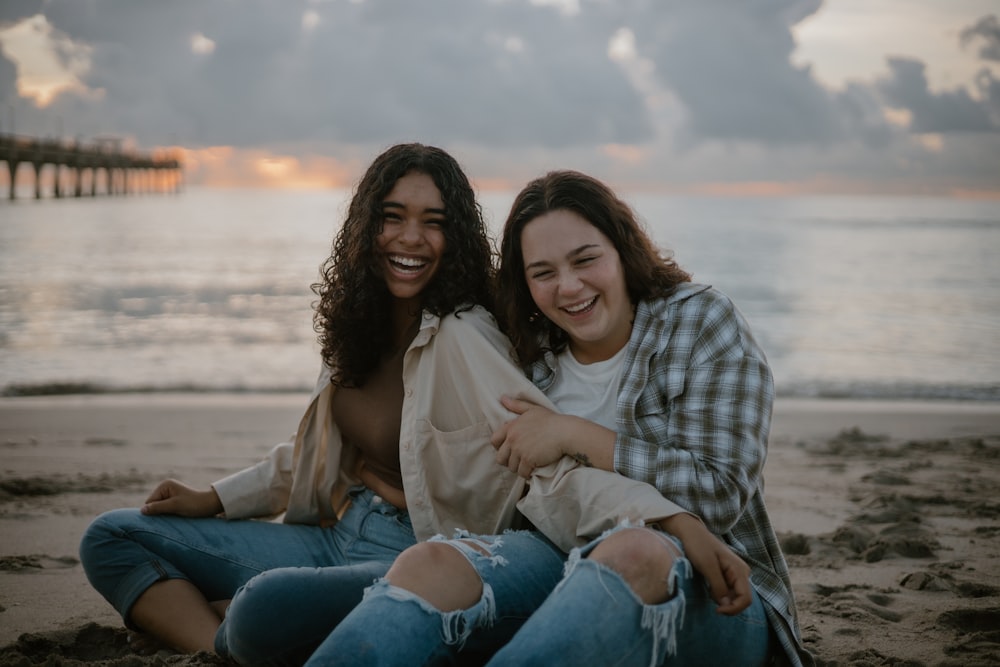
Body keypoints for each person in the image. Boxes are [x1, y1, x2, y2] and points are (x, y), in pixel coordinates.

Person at [314, 170, 813, 666]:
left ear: (621, 249)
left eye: (585, 259)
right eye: (543, 272)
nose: (569, 287)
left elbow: (719, 493)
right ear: (524, 284)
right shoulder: (531, 358)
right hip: (561, 561)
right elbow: (514, 494)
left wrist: (575, 435)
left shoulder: (699, 322)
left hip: (715, 592)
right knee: (432, 564)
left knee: (634, 549)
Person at [79, 142, 535, 657]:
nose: (411, 238)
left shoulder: (465, 333)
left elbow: (539, 445)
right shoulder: (356, 319)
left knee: (262, 606)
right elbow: (318, 455)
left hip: (414, 556)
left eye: (433, 222)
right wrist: (213, 498)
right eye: (392, 217)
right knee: (111, 536)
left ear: (455, 238)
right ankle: (218, 647)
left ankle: (242, 629)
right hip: (338, 533)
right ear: (367, 225)